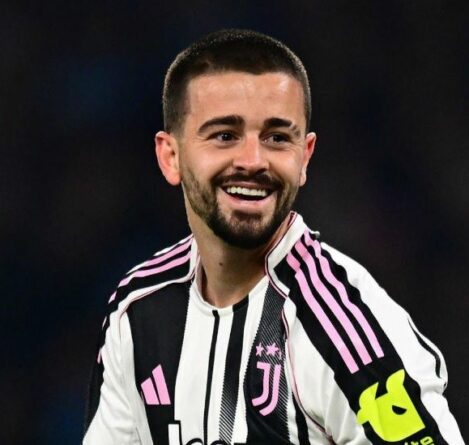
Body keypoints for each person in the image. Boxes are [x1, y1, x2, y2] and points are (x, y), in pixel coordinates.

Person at [83, 29, 463, 445]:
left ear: (305, 157)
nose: (253, 161)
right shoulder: (138, 309)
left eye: (277, 138)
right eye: (225, 135)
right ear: (170, 156)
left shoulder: (344, 330)